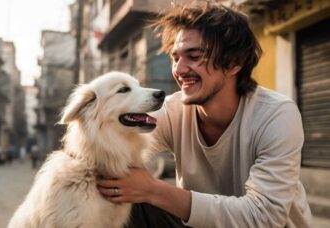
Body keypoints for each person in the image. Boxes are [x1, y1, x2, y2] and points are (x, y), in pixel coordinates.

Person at [97, 2, 312, 228]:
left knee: (145, 194)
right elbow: (104, 147)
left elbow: (263, 217)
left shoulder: (276, 115)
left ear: (233, 63)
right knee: (125, 196)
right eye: (175, 57)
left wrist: (153, 189)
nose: (179, 70)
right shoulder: (173, 111)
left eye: (194, 56)